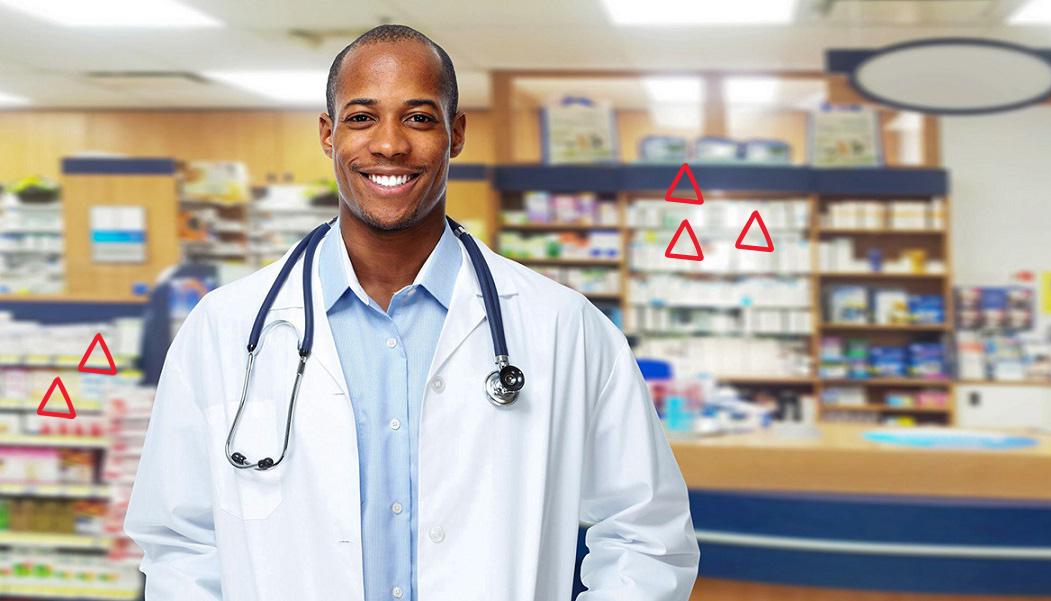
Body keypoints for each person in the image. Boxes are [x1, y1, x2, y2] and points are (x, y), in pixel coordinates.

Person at [124, 25, 699, 600]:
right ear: (328, 134)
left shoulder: (564, 327)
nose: (390, 145)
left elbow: (646, 535)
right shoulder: (223, 329)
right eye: (361, 117)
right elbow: (180, 543)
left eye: (420, 118)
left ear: (456, 134)